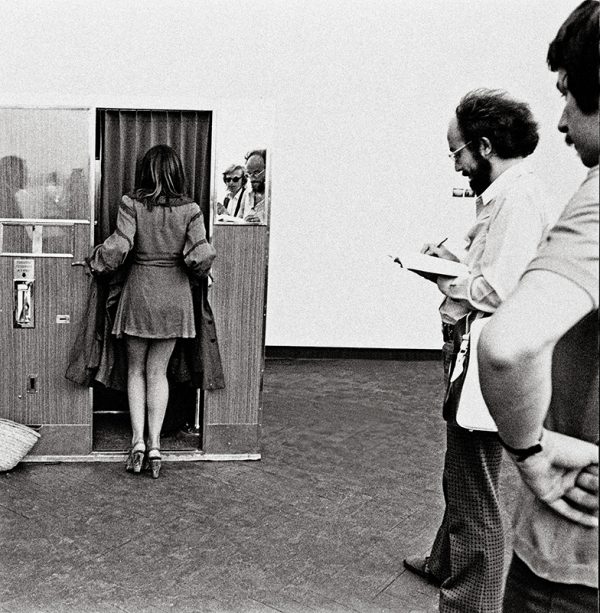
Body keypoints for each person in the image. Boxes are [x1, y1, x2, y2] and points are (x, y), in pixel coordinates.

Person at [402, 89, 553, 613]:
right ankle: (444, 560)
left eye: (458, 153)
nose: (457, 165)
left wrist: (444, 278)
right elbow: (491, 267)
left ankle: (471, 602)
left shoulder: (516, 199)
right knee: (462, 469)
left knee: (474, 485)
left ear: (484, 146)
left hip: (489, 353)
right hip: (480, 348)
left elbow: (499, 288)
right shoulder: (507, 196)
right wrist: (451, 260)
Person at [477, 2, 599, 611]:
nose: (561, 120)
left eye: (568, 93)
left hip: (576, 556)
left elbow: (509, 344)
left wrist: (531, 451)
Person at [88, 144, 216, 478]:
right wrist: (196, 269)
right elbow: (202, 255)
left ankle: (137, 443)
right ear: (178, 172)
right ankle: (156, 446)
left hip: (140, 293)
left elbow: (119, 247)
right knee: (158, 372)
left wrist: (95, 261)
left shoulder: (131, 204)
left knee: (135, 371)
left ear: (144, 171)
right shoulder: (191, 209)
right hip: (174, 295)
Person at [240, 149, 267, 223]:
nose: (251, 178)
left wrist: (262, 222)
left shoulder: (274, 198)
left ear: (267, 171)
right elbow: (239, 221)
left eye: (256, 173)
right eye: (249, 174)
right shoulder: (246, 195)